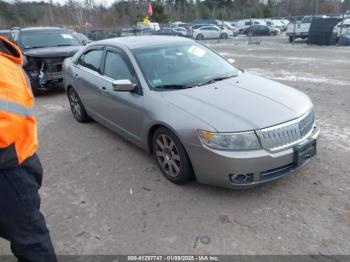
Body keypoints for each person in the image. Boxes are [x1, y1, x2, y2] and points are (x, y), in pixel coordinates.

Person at [0, 36, 57, 261]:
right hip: (11, 163)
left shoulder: (2, 70)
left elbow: (6, 127)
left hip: (9, 170)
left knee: (31, 242)